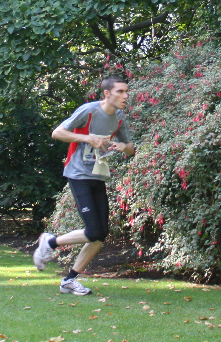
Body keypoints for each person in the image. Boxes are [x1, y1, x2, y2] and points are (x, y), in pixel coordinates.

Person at [33, 75, 135, 295]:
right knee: (93, 231)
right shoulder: (89, 111)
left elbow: (131, 148)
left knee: (101, 235)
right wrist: (88, 138)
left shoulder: (118, 117)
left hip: (98, 175)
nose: (126, 96)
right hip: (78, 174)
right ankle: (50, 242)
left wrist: (121, 145)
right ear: (107, 93)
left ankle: (69, 280)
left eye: (126, 91)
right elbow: (57, 132)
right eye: (120, 91)